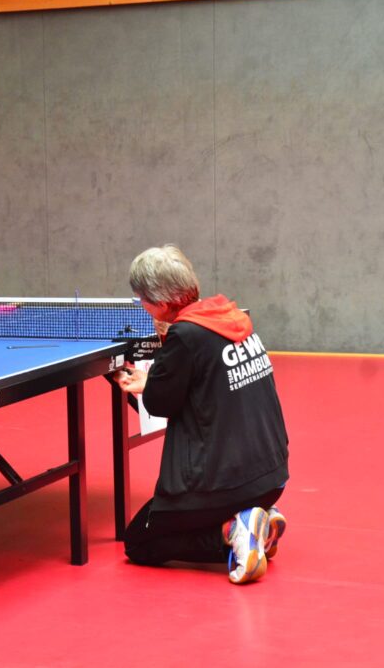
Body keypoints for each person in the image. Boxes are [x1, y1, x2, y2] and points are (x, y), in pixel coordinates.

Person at [114, 244, 289, 584]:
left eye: (142, 300)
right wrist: (156, 381)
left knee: (139, 541)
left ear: (161, 302)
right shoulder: (232, 319)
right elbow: (204, 381)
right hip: (272, 476)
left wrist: (151, 384)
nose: (142, 306)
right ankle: (262, 519)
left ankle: (233, 530)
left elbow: (160, 404)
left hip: (225, 484)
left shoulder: (184, 334)